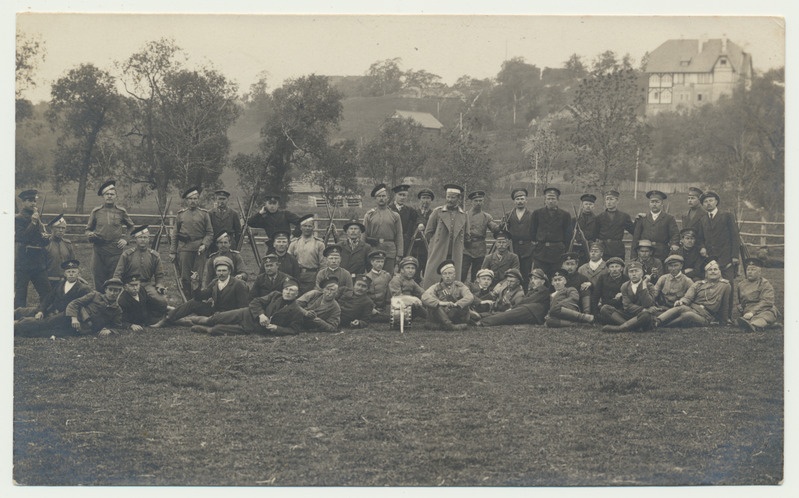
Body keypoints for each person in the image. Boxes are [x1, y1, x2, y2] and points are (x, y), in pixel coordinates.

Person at [190, 277, 303, 336]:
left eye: (292, 290)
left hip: (254, 328)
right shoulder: (275, 295)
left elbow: (294, 330)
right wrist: (261, 315)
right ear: (282, 290)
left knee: (216, 329)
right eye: (286, 289)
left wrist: (277, 328)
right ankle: (186, 320)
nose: (288, 292)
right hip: (245, 313)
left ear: (297, 294)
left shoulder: (296, 310)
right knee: (214, 318)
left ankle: (206, 330)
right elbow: (255, 302)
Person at [159, 256, 249, 327]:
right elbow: (200, 297)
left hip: (229, 315)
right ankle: (168, 319)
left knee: (202, 320)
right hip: (214, 311)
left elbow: (243, 308)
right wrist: (195, 284)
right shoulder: (215, 282)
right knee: (193, 303)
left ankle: (192, 321)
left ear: (229, 271)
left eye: (224, 271)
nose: (221, 273)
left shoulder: (238, 284)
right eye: (219, 271)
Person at [695, 190, 740, 321]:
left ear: (716, 202)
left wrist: (734, 256)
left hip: (726, 258)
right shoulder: (702, 219)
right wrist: (702, 247)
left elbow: (735, 236)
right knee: (712, 286)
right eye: (705, 201)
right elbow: (700, 238)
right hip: (710, 259)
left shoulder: (727, 216)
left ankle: (727, 316)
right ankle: (714, 314)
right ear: (702, 204)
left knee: (728, 285)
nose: (708, 203)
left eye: (710, 200)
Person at [85, 180, 135, 290]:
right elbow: (87, 229)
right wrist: (90, 234)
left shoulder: (121, 211)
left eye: (112, 194)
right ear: (103, 196)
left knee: (114, 280)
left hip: (115, 251)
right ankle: (100, 303)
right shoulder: (96, 211)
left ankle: (113, 304)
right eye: (107, 194)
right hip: (99, 250)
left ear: (116, 196)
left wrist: (126, 239)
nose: (109, 196)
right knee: (98, 278)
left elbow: (131, 226)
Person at [654, 260, 732, 328]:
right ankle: (657, 321)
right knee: (680, 308)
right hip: (692, 308)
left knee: (688, 315)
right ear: (706, 273)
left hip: (706, 316)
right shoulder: (698, 284)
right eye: (710, 270)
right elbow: (688, 297)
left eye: (715, 269)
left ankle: (664, 326)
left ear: (719, 272)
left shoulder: (725, 285)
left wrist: (724, 321)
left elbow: (725, 305)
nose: (713, 271)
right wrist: (681, 301)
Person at [15, 259, 91, 326]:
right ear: (65, 274)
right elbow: (48, 298)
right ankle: (13, 313)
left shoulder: (83, 288)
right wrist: (41, 311)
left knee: (38, 322)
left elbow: (84, 306)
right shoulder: (60, 284)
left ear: (78, 274)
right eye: (68, 272)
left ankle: (18, 324)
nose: (71, 274)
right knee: (27, 311)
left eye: (73, 272)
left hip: (65, 316)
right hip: (53, 309)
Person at [169, 186, 214, 297]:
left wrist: (204, 245)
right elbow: (174, 234)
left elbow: (210, 233)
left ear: (198, 200)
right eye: (190, 199)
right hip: (185, 248)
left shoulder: (204, 214)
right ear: (186, 200)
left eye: (195, 199)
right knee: (185, 276)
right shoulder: (181, 215)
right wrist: (173, 251)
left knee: (197, 275)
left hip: (200, 249)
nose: (193, 201)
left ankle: (197, 298)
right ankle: (187, 298)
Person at [114, 225, 168, 313]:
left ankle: (150, 312)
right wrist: (118, 287)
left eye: (145, 237)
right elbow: (118, 273)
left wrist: (159, 286)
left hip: (147, 285)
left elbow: (159, 275)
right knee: (119, 304)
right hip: (130, 285)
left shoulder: (154, 255)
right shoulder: (127, 254)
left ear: (149, 239)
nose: (143, 240)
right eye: (140, 237)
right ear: (136, 239)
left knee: (162, 302)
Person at [422, 184, 467, 290]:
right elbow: (428, 232)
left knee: (453, 276)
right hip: (439, 250)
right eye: (448, 197)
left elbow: (466, 235)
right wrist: (433, 246)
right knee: (432, 275)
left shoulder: (463, 215)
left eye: (453, 197)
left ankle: (453, 297)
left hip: (455, 252)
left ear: (459, 199)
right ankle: (429, 296)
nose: (450, 200)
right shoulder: (437, 212)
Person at [15, 189, 51, 307]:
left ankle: (44, 314)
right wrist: (33, 223)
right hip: (24, 262)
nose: (33, 204)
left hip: (38, 262)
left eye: (34, 201)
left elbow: (42, 240)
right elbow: (22, 237)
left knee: (46, 291)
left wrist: (46, 237)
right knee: (21, 293)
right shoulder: (18, 218)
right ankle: (17, 320)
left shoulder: (37, 218)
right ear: (23, 202)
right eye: (29, 201)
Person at [600, 261, 658, 333]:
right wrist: (643, 309)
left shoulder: (650, 286)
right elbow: (627, 306)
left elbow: (648, 304)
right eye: (631, 272)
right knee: (605, 308)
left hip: (642, 316)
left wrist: (644, 285)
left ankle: (620, 328)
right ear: (628, 274)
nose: (634, 274)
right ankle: (633, 327)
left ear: (642, 273)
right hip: (629, 314)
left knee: (646, 315)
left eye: (636, 271)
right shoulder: (625, 286)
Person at [479, 269, 551, 327]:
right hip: (528, 309)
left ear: (543, 281)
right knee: (505, 314)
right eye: (531, 279)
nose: (532, 281)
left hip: (533, 312)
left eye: (535, 279)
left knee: (507, 315)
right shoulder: (533, 290)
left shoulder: (543, 289)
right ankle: (479, 316)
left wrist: (513, 308)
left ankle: (481, 321)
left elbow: (528, 300)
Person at [531, 187, 572, 279]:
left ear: (557, 200)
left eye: (553, 198)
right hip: (541, 252)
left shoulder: (565, 215)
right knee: (539, 277)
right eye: (548, 199)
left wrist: (563, 249)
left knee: (556, 277)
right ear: (545, 200)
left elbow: (568, 235)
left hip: (557, 252)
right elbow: (532, 232)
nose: (550, 201)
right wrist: (537, 246)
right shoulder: (537, 213)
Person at [421, 259, 474, 331]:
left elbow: (470, 297)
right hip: (440, 314)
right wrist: (440, 303)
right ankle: (449, 325)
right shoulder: (436, 287)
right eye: (445, 274)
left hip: (456, 315)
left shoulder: (460, 286)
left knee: (464, 306)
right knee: (435, 305)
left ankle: (440, 326)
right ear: (442, 276)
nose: (447, 276)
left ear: (454, 275)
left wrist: (456, 304)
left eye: (450, 273)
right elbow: (424, 297)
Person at [364, 184, 404, 274]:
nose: (381, 198)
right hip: (374, 249)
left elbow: (399, 235)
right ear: (375, 198)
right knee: (373, 275)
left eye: (383, 196)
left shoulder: (395, 215)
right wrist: (363, 251)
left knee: (388, 275)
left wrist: (399, 254)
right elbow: (364, 234)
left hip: (389, 250)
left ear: (388, 198)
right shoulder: (369, 215)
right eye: (379, 196)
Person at [462, 190, 499, 283]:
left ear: (483, 202)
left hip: (480, 248)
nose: (478, 203)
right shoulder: (464, 215)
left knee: (477, 274)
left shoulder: (486, 216)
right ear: (471, 202)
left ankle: (476, 292)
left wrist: (501, 226)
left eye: (480, 201)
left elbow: (494, 228)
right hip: (466, 248)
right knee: (462, 273)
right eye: (476, 201)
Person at [632, 190, 679, 261]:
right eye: (652, 202)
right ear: (649, 204)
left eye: (657, 202)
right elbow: (636, 238)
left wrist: (674, 244)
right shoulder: (642, 218)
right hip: (645, 253)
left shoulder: (669, 218)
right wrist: (633, 256)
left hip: (662, 253)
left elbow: (675, 234)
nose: (654, 204)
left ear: (662, 204)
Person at [735, 258, 779, 332]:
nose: (750, 272)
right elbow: (741, 300)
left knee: (764, 316)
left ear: (759, 272)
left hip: (765, 309)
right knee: (741, 320)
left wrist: (752, 312)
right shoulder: (741, 284)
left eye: (753, 270)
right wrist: (740, 307)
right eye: (748, 270)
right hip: (748, 311)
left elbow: (767, 302)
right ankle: (764, 325)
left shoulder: (765, 284)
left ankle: (754, 326)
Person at [503, 188, 535, 287]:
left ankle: (524, 294)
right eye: (517, 199)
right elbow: (502, 231)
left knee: (526, 273)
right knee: (512, 272)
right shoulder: (508, 215)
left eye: (522, 199)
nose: (520, 201)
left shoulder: (532, 215)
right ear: (514, 201)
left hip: (527, 248)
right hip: (513, 247)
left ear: (526, 200)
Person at [288, 214, 326, 296]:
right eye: (305, 226)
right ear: (301, 228)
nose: (307, 228)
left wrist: (318, 281)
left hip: (312, 276)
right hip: (296, 276)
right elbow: (288, 262)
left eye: (310, 226)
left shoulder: (319, 244)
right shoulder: (294, 243)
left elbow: (323, 265)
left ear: (313, 227)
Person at [594, 189, 635, 261]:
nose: (609, 202)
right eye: (607, 199)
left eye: (611, 199)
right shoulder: (599, 217)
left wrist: (638, 220)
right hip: (603, 249)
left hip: (617, 249)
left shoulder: (624, 216)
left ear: (617, 201)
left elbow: (634, 230)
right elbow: (595, 234)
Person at [388, 256, 428, 320]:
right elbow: (397, 297)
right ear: (402, 270)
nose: (410, 270)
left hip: (408, 307)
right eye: (408, 268)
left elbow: (422, 293)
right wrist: (414, 300)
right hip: (395, 308)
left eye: (413, 268)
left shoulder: (411, 281)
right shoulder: (396, 280)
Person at [43, 214, 76, 288]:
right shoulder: (45, 244)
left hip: (66, 281)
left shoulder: (67, 244)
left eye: (63, 228)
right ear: (52, 229)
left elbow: (73, 264)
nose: (61, 230)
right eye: (58, 228)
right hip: (49, 282)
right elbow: (41, 266)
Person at [389, 184, 420, 259]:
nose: (402, 197)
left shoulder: (410, 210)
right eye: (400, 195)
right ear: (395, 195)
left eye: (404, 195)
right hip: (391, 242)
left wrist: (420, 224)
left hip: (405, 243)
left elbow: (418, 218)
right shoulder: (389, 209)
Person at [411, 188, 435, 277]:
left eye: (428, 198)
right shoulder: (414, 212)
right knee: (413, 271)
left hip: (427, 247)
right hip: (414, 247)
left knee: (427, 271)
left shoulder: (433, 214)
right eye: (423, 198)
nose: (425, 201)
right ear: (420, 199)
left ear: (431, 200)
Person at [572, 193, 599, 265]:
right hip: (576, 248)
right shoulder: (575, 219)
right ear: (582, 206)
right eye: (586, 204)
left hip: (590, 248)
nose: (588, 206)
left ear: (593, 206)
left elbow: (597, 234)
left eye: (590, 204)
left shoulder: (597, 220)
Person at [366, 250, 392, 316]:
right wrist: (372, 307)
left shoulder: (387, 275)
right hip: (373, 307)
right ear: (372, 262)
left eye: (382, 262)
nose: (380, 264)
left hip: (384, 306)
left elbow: (389, 292)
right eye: (377, 261)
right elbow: (366, 296)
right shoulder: (367, 277)